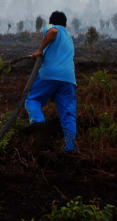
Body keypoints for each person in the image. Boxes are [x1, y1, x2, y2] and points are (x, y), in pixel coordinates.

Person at [25, 11, 77, 152]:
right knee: (68, 114)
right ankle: (70, 149)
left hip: (49, 75)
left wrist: (40, 50)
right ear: (65, 24)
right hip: (68, 79)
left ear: (51, 21)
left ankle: (38, 122)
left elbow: (53, 32)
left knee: (32, 100)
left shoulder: (53, 28)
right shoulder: (69, 37)